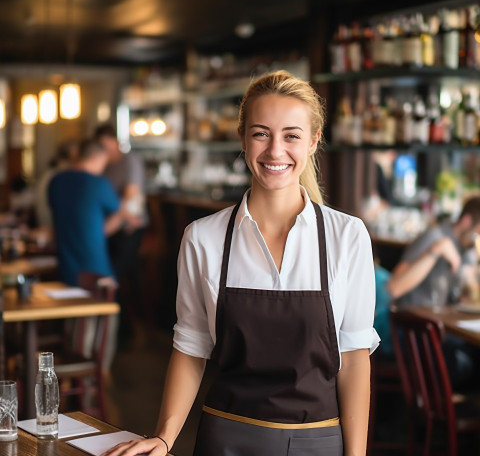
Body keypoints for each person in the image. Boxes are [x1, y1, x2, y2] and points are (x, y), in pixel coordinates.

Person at [101, 70, 379, 456]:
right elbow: (191, 347)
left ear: (314, 141)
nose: (275, 151)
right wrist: (164, 438)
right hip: (225, 440)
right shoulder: (203, 237)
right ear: (243, 138)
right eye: (261, 133)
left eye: (291, 135)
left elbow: (353, 359)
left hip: (319, 442)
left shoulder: (347, 236)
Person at [387, 196, 480, 387]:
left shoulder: (469, 250)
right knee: (467, 363)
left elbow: (468, 296)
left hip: (441, 331)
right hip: (412, 332)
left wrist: (470, 285)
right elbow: (393, 286)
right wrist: (436, 251)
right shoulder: (435, 237)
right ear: (467, 221)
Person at [93, 124, 147, 342]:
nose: (105, 151)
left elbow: (131, 199)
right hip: (113, 227)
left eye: (107, 146)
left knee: (112, 275)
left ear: (115, 142)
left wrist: (107, 227)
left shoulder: (130, 162)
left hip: (130, 228)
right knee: (122, 275)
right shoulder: (104, 165)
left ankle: (124, 331)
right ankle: (132, 327)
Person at [48, 139, 127, 286]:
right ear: (95, 158)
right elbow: (121, 213)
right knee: (105, 306)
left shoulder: (55, 182)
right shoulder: (98, 184)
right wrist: (99, 231)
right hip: (95, 266)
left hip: (65, 266)